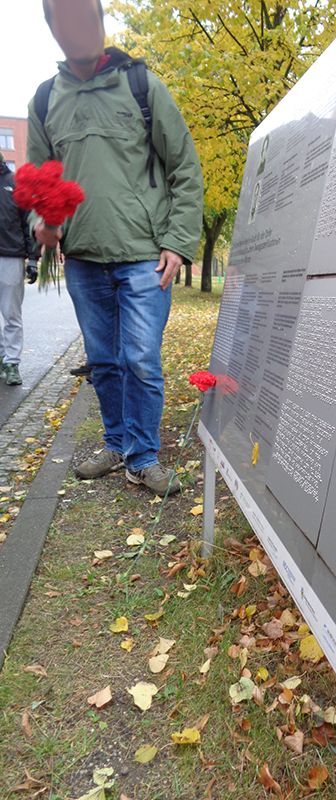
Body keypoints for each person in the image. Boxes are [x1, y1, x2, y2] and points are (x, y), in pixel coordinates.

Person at [28, 0, 203, 496]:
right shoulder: (45, 100)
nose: (76, 28)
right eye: (63, 19)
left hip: (147, 256)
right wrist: (44, 220)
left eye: (85, 15)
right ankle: (116, 441)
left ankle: (142, 458)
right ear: (52, 29)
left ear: (101, 19)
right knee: (104, 360)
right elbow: (42, 180)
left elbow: (185, 169)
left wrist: (178, 242)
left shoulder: (142, 86)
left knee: (141, 359)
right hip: (83, 260)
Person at [0, 152, 38, 387]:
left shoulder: (15, 183)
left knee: (11, 314)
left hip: (10, 256)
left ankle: (12, 363)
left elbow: (28, 223)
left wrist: (33, 258)